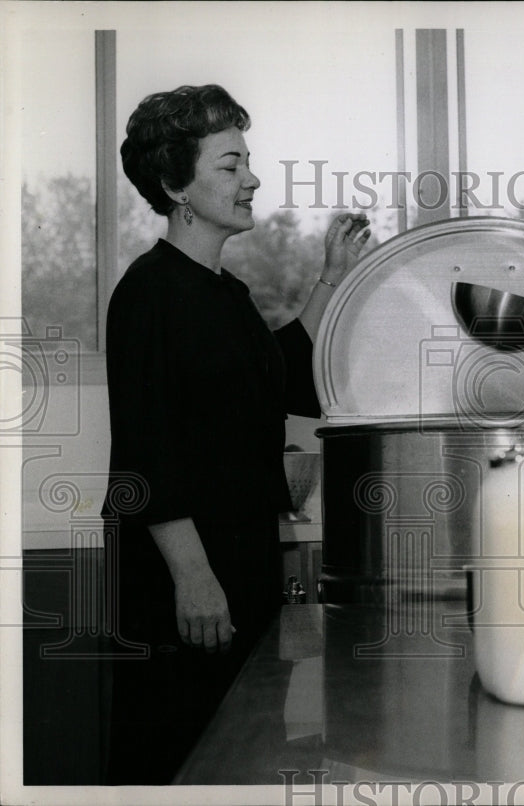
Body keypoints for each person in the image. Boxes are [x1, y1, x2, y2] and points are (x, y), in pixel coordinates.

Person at [101, 84, 369, 783]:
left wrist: (331, 281)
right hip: (183, 584)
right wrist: (194, 580)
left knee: (236, 759)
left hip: (238, 565)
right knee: (183, 760)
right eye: (229, 164)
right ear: (173, 184)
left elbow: (277, 376)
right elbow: (143, 452)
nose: (251, 178)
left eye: (247, 160)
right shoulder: (149, 291)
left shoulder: (225, 293)